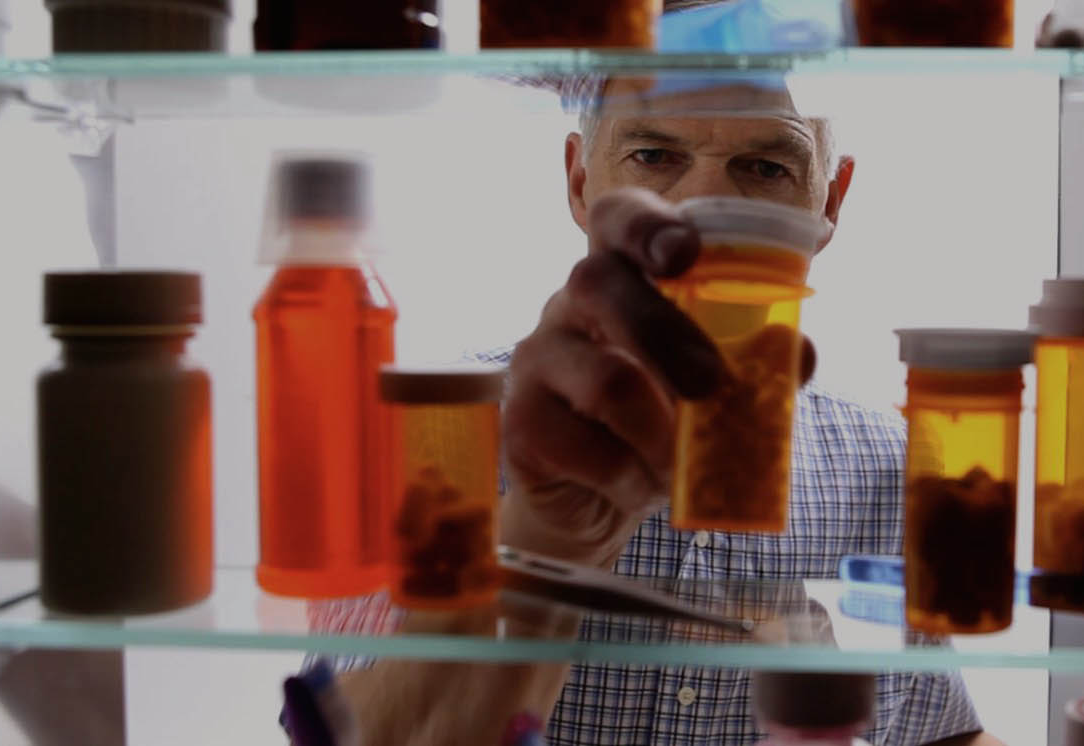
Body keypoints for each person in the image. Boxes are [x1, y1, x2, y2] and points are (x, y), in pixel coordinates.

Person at [312, 4, 1000, 745]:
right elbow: (351, 734)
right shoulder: (435, 429)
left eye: (766, 167)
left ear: (828, 204)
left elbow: (942, 733)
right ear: (579, 182)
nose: (703, 209)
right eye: (653, 157)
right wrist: (542, 543)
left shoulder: (885, 464)